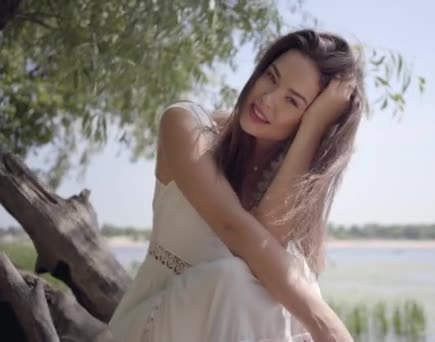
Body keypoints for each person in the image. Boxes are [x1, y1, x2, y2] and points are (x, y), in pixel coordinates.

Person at [108, 29, 366, 342]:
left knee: (297, 280)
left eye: (292, 101)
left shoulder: (293, 177)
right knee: (234, 280)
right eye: (271, 77)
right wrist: (327, 325)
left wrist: (312, 131)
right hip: (150, 329)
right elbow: (240, 234)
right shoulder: (187, 126)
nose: (268, 99)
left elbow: (267, 241)